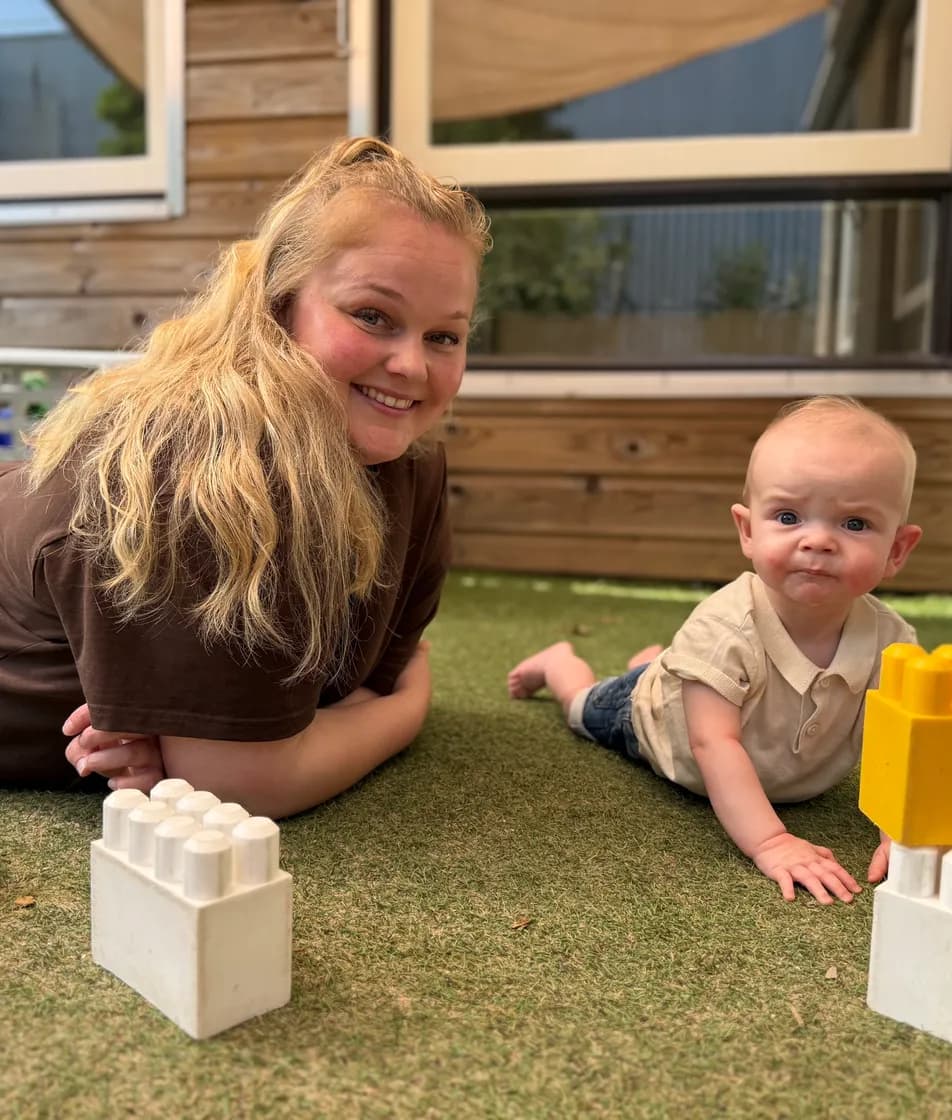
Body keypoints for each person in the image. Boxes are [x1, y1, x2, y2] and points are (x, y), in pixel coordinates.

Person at [0, 137, 490, 819]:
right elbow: (244, 784)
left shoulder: (412, 465)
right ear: (281, 307)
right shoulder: (208, 473)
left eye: (444, 336)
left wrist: (194, 741)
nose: (411, 365)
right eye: (372, 316)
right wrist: (408, 711)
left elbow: (371, 675)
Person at [508, 396, 922, 904]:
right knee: (582, 708)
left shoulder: (892, 642)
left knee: (691, 676)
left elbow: (900, 747)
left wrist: (901, 834)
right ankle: (560, 663)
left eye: (854, 524)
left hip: (712, 689)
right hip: (653, 722)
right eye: (789, 516)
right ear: (747, 531)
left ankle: (657, 665)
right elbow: (713, 744)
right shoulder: (728, 627)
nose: (818, 541)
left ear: (897, 550)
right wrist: (772, 842)